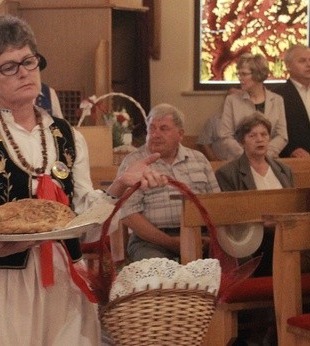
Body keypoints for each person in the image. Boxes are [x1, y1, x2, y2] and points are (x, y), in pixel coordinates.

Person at [0, 15, 167, 346]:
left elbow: (85, 224)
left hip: (65, 279)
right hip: (5, 287)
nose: (24, 72)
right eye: (9, 66)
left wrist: (117, 187)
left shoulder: (68, 136)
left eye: (29, 61)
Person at [214, 113, 291, 346]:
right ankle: (260, 335)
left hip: (283, 237)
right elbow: (230, 215)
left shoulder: (283, 170)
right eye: (253, 135)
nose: (260, 140)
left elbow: (292, 204)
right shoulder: (228, 173)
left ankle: (283, 330)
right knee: (277, 256)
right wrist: (261, 222)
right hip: (251, 242)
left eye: (264, 134)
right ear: (242, 140)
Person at [119, 103, 221, 262]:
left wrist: (209, 236)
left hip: (199, 236)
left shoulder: (199, 160)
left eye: (163, 128)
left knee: (238, 259)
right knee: (158, 272)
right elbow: (128, 215)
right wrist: (171, 243)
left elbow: (217, 203)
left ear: (180, 134)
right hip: (151, 241)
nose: (156, 134)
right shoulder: (134, 162)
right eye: (152, 128)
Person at [214, 53, 287, 160]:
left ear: (258, 74)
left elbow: (282, 136)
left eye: (244, 74)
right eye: (239, 74)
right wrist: (246, 156)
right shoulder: (232, 100)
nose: (240, 78)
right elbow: (225, 135)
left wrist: (265, 155)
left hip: (269, 161)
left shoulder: (277, 100)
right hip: (239, 161)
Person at [273, 44, 310, 158]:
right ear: (288, 66)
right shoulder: (277, 95)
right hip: (296, 160)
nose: (308, 64)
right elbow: (273, 132)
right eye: (302, 61)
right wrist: (291, 150)